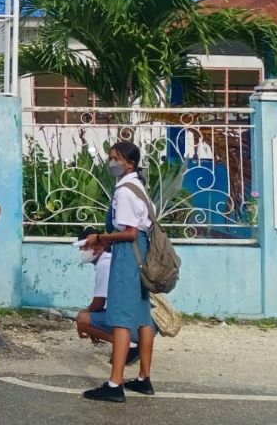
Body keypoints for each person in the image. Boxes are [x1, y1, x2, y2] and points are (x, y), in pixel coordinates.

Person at [82, 141, 157, 403]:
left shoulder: (125, 191)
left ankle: (115, 384)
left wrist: (100, 236)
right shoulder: (139, 187)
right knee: (142, 317)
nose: (111, 162)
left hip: (128, 255)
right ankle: (143, 378)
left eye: (116, 158)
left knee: (122, 318)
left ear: (129, 163)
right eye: (111, 157)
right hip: (143, 253)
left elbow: (129, 232)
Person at [73, 226, 139, 365]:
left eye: (85, 247)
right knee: (89, 317)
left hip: (133, 324)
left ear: (98, 247)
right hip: (142, 321)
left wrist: (83, 319)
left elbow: (98, 303)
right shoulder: (112, 259)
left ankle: (127, 344)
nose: (82, 252)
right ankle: (130, 344)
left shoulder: (104, 264)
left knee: (82, 319)